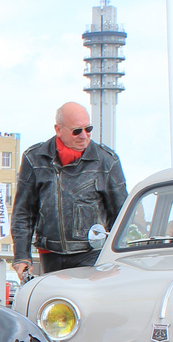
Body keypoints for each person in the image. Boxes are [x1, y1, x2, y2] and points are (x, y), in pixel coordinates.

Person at [11, 102, 127, 279]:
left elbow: (121, 215)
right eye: (77, 131)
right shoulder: (33, 158)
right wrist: (21, 256)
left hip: (92, 254)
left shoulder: (107, 161)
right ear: (59, 130)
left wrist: (118, 257)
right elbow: (23, 212)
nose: (84, 136)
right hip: (50, 254)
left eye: (88, 129)